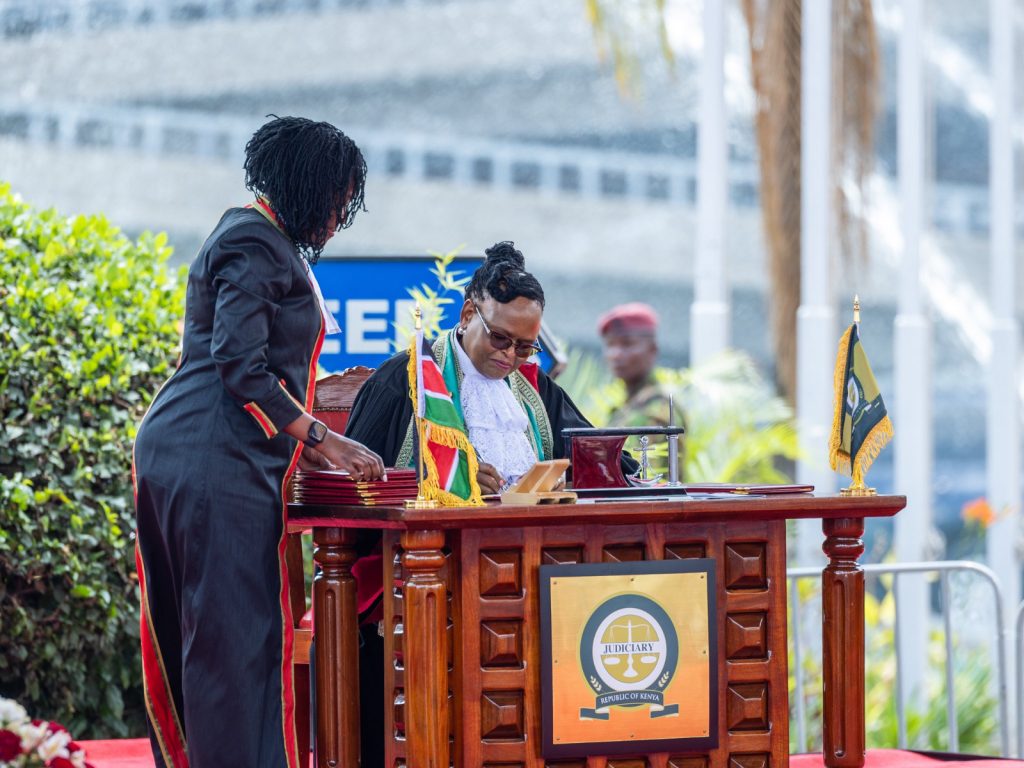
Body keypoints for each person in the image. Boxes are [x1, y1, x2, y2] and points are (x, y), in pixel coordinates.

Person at [132, 116, 384, 768]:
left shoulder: (252, 235)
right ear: (301, 188)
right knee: (237, 645)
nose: (336, 220)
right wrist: (324, 438)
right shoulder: (256, 243)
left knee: (212, 641)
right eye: (333, 204)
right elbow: (240, 365)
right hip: (215, 458)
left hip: (195, 453)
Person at [345, 242, 637, 764]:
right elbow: (356, 489)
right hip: (425, 582)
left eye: (525, 348)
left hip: (532, 584)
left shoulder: (530, 389)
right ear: (467, 312)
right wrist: (440, 477)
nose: (509, 357)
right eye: (500, 338)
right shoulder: (405, 381)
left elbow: (599, 456)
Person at [598, 301, 684, 479]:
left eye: (627, 344)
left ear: (652, 350)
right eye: (610, 344)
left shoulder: (660, 409)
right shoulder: (624, 408)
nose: (615, 354)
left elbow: (649, 480)